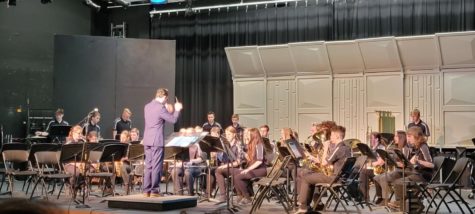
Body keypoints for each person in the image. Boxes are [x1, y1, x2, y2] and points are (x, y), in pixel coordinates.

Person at [295, 125, 351, 214]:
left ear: (337, 136)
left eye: (332, 135)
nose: (330, 137)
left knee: (306, 177)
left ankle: (303, 206)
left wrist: (325, 148)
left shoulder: (339, 148)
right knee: (309, 175)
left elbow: (324, 163)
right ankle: (307, 205)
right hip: (341, 177)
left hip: (334, 178)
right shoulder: (347, 148)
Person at [142, 88, 182, 197]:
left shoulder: (147, 106)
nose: (166, 101)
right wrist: (177, 109)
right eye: (166, 99)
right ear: (164, 97)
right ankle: (154, 191)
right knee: (156, 166)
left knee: (148, 165)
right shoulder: (160, 108)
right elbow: (173, 120)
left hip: (147, 140)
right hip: (156, 141)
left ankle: (146, 191)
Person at [388, 127, 434, 209]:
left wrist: (418, 161)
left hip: (423, 175)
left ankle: (402, 203)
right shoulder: (416, 146)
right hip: (416, 172)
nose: (408, 138)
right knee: (397, 178)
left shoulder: (423, 146)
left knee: (399, 182)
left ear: (416, 136)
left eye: (409, 136)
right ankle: (405, 202)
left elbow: (431, 164)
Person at [373, 130, 412, 206]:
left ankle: (386, 199)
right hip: (397, 170)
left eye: (396, 136)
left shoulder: (405, 149)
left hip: (403, 172)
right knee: (377, 177)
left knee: (383, 178)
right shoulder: (396, 147)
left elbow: (404, 164)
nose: (394, 138)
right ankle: (381, 197)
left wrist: (393, 162)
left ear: (401, 138)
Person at [233, 128, 267, 205]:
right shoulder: (251, 145)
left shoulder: (259, 145)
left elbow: (259, 161)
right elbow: (250, 159)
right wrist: (243, 152)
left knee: (238, 177)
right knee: (235, 173)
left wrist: (248, 169)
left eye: (249, 135)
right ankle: (240, 195)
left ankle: (247, 197)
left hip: (261, 170)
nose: (247, 136)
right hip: (254, 169)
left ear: (253, 135)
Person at [215, 126, 243, 202]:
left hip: (237, 168)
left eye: (229, 134)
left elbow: (238, 162)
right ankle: (223, 195)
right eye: (226, 135)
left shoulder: (238, 144)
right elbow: (223, 159)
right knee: (218, 170)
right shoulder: (225, 144)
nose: (227, 136)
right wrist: (218, 153)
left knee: (219, 169)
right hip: (227, 167)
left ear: (234, 134)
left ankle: (239, 194)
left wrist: (225, 165)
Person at [359, 132, 386, 202]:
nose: (370, 140)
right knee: (362, 171)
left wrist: (371, 164)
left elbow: (381, 161)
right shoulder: (371, 148)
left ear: (377, 139)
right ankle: (364, 197)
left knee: (366, 173)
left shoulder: (381, 147)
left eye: (372, 138)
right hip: (372, 169)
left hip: (380, 170)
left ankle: (378, 197)